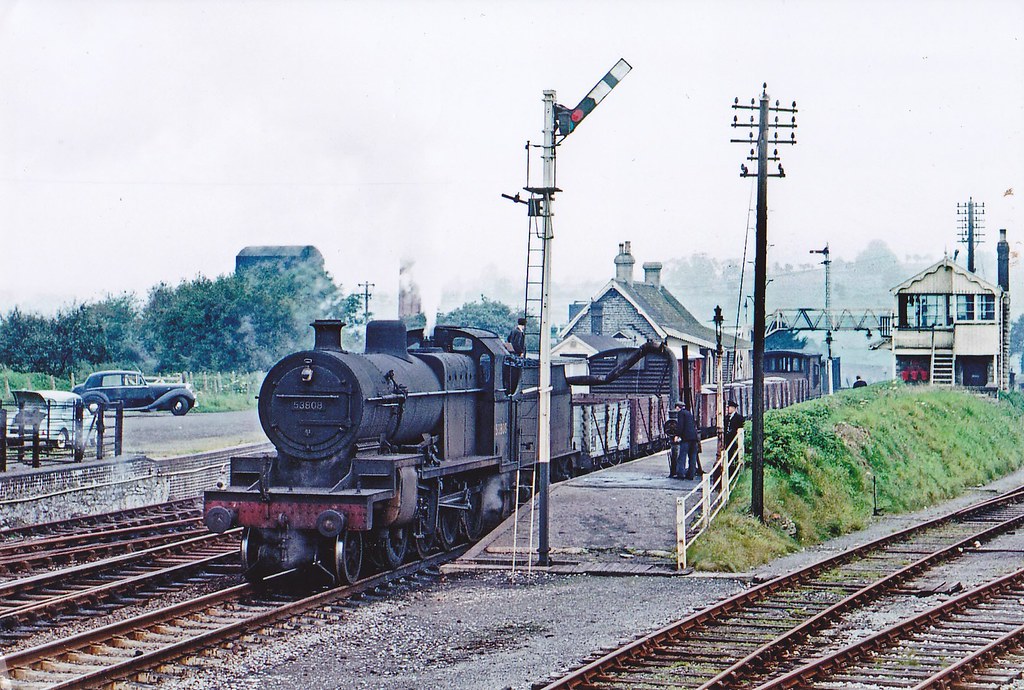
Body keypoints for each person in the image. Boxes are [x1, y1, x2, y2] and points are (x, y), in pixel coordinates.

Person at [672, 401, 700, 480]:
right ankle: (691, 474)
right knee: (692, 456)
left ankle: (680, 474)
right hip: (694, 438)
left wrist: (677, 435)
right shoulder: (689, 413)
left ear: (678, 407)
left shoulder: (681, 413)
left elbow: (680, 425)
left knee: (682, 456)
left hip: (686, 438)